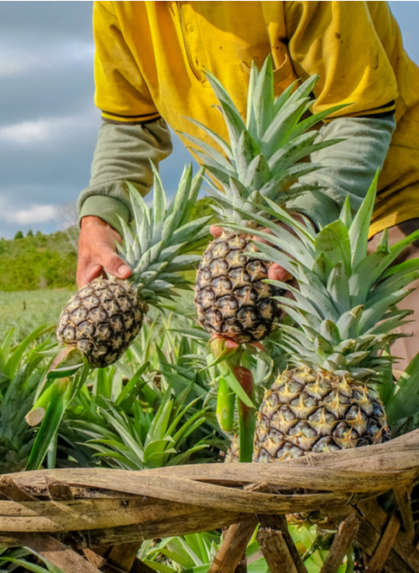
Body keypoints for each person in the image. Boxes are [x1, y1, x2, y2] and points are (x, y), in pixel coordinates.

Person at [76, 1, 419, 370]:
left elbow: (360, 111)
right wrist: (100, 216)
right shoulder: (118, 6)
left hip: (393, 204)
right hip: (267, 236)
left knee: (404, 395)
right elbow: (131, 122)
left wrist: (305, 217)